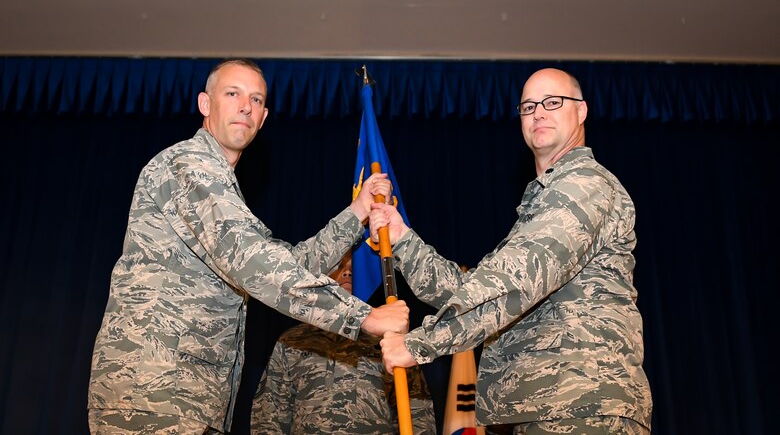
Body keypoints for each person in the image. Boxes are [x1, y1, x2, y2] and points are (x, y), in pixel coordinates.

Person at [87, 58, 409, 434]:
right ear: (205, 104)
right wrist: (363, 317)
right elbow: (256, 263)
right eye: (233, 93)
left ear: (264, 116)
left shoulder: (224, 188)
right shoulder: (188, 165)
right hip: (153, 390)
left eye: (256, 100)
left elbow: (288, 263)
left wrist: (357, 212)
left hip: (187, 397)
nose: (245, 106)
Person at [369, 68, 653, 434]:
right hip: (541, 408)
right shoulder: (542, 202)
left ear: (581, 111)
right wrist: (402, 237)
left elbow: (516, 280)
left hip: (582, 406)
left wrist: (419, 344)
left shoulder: (586, 185)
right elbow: (470, 290)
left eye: (553, 102)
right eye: (528, 106)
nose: (539, 112)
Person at [250, 250, 437, 434]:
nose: (347, 272)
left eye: (353, 267)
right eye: (339, 266)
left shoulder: (391, 340)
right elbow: (269, 415)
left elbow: (419, 415)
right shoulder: (293, 340)